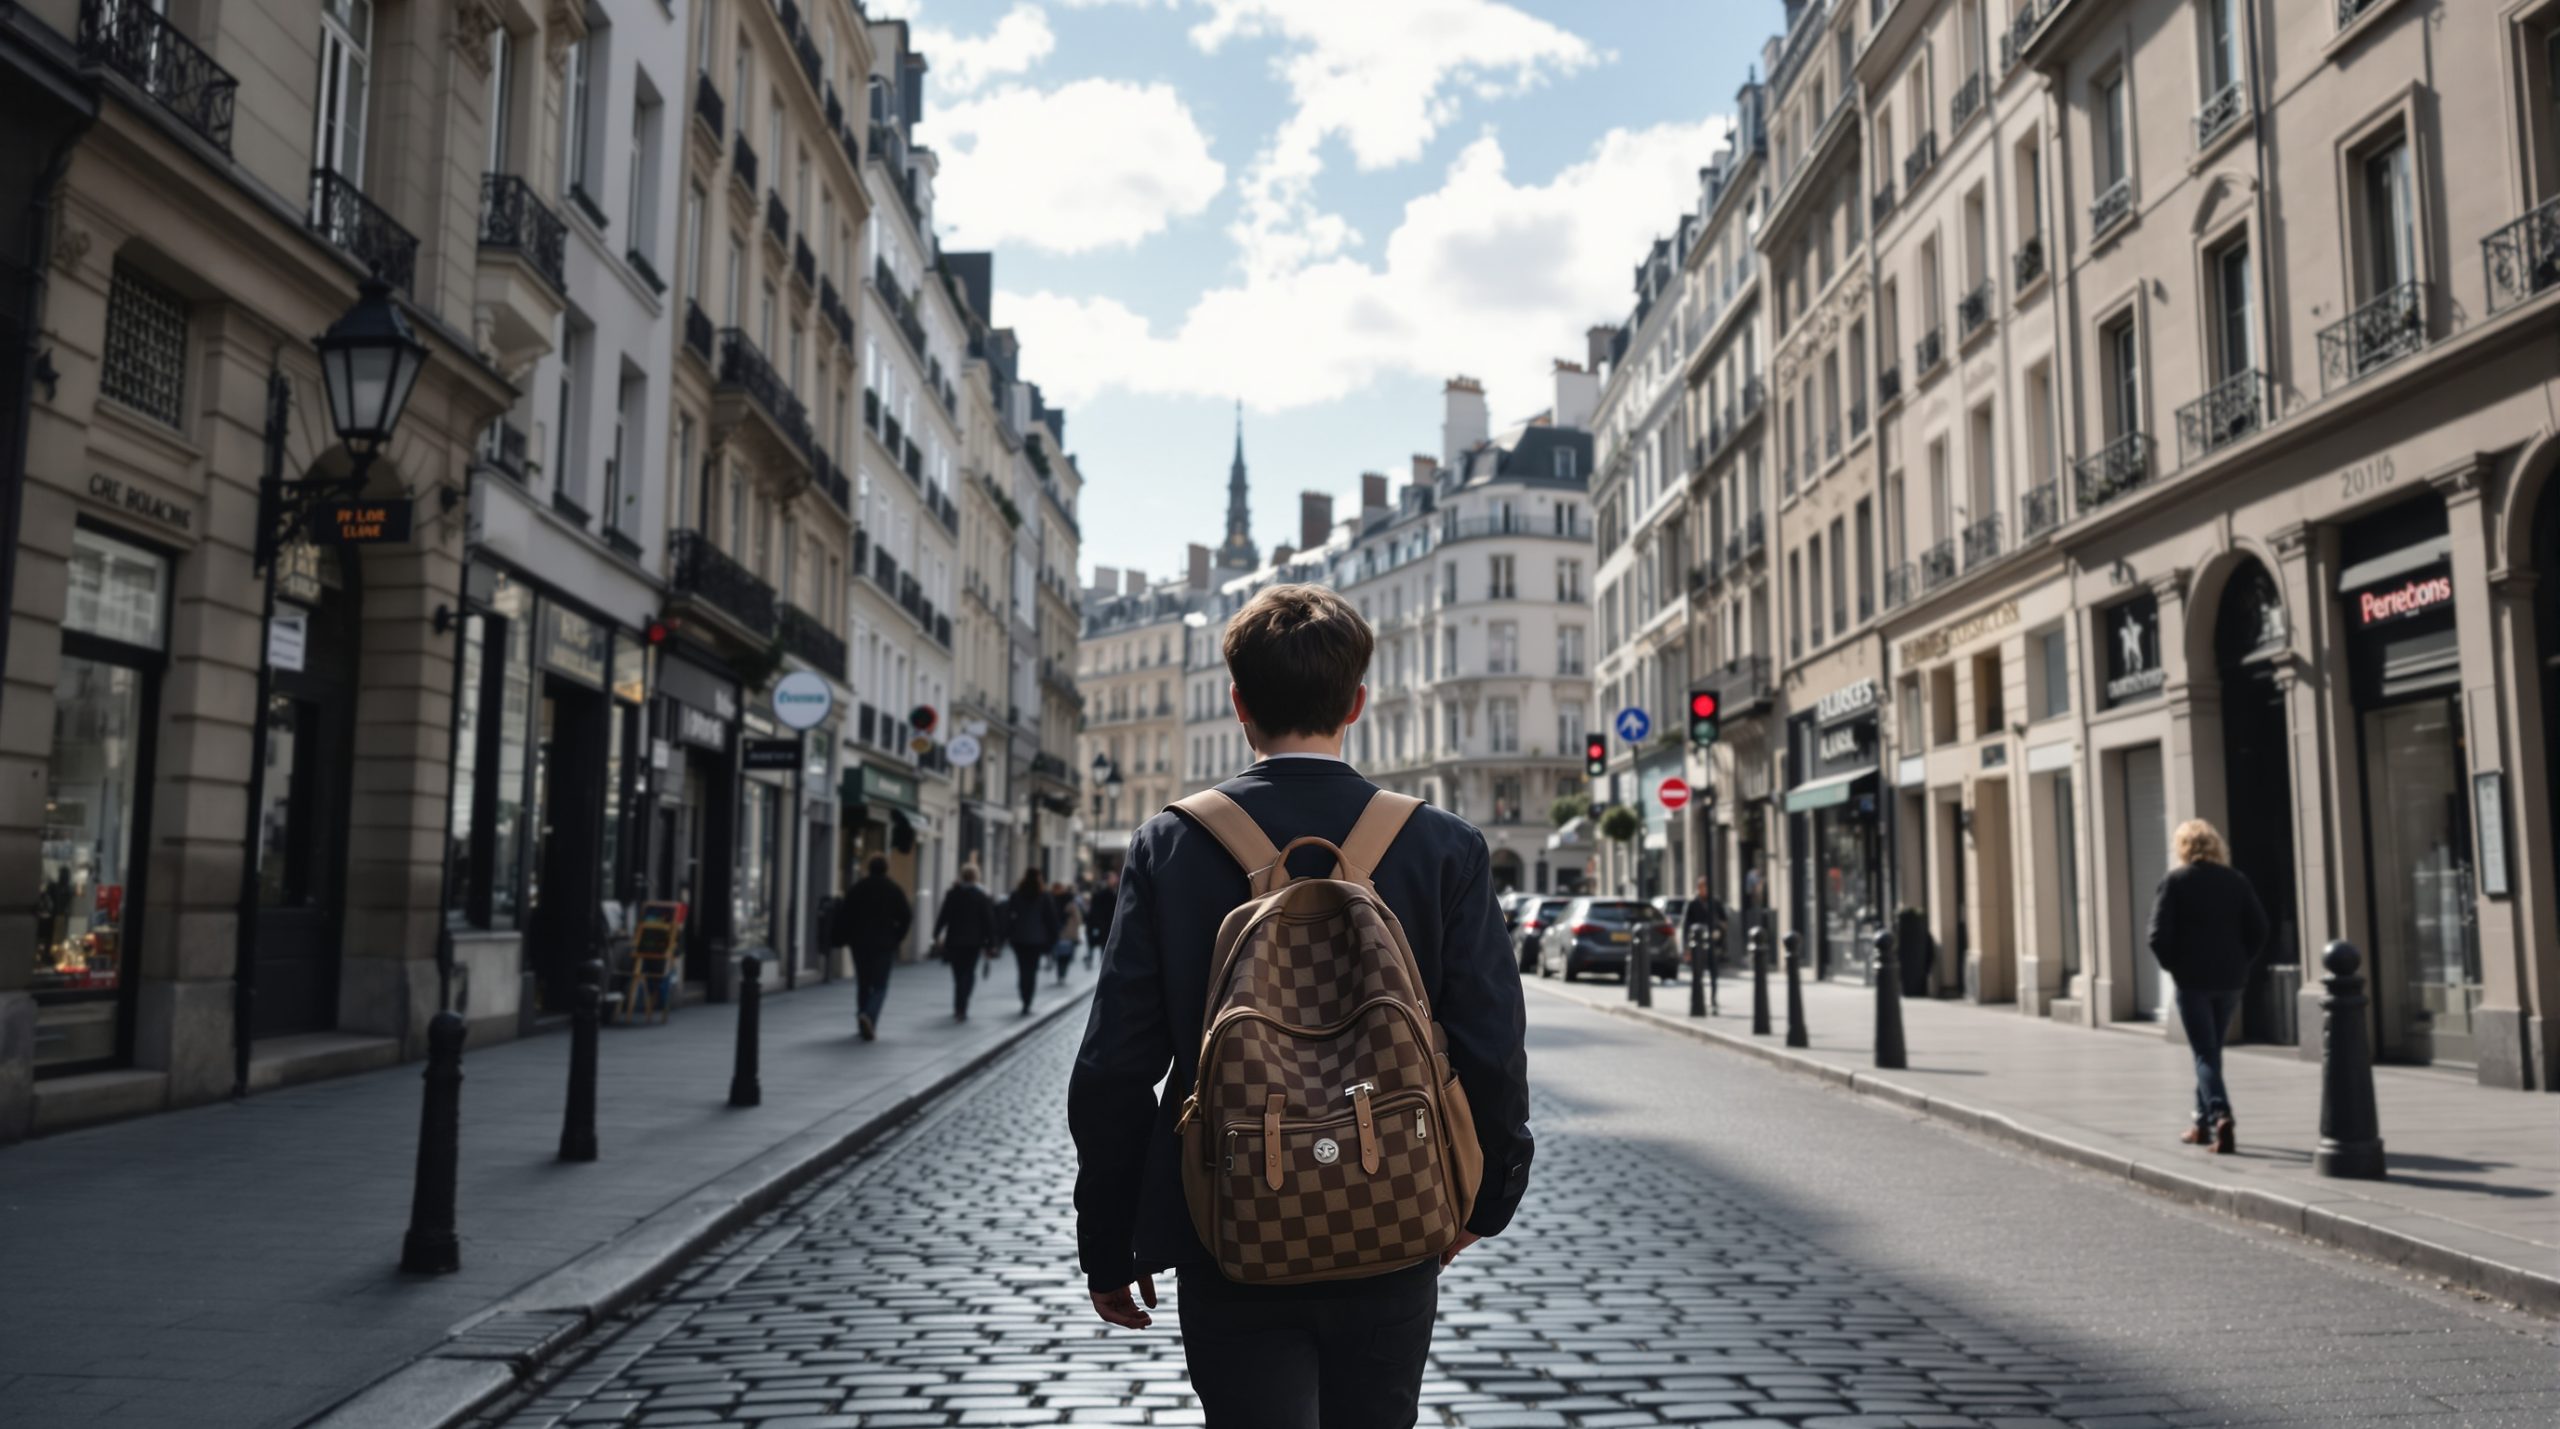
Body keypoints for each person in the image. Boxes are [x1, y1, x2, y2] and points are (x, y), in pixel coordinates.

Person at [1068, 584, 1534, 1428]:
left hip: (1227, 1216)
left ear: (1239, 704)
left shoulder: (1171, 844)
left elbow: (1114, 1067)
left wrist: (1111, 1234)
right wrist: (1483, 1196)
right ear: (1358, 701)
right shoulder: (1442, 845)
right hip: (1392, 1204)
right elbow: (1493, 1046)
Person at [2147, 818, 2270, 1155]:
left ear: (2183, 847)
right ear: (2216, 845)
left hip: (2193, 981)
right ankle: (2201, 1125)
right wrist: (2241, 962)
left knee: (2204, 1052)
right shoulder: (2236, 881)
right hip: (2230, 980)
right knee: (2211, 1051)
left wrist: (2177, 966)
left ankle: (2220, 1114)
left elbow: (2156, 936)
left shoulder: (2175, 881)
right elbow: (2260, 929)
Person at [834, 857, 912, 1041]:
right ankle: (869, 1016)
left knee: (863, 983)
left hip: (860, 943)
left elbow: (845, 914)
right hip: (884, 944)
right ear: (886, 869)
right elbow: (907, 916)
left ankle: (862, 1017)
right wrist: (897, 937)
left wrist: (848, 936)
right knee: (880, 985)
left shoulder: (858, 888)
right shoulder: (893, 889)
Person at [933, 863, 1000, 1020]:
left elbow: (944, 916)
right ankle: (962, 1004)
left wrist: (936, 934)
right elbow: (989, 921)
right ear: (976, 877)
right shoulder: (981, 896)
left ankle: (959, 1005)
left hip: (955, 940)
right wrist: (992, 943)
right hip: (974, 941)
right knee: (968, 972)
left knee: (958, 974)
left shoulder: (953, 894)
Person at [1003, 867, 1062, 1014]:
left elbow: (1008, 916)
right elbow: (1051, 919)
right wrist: (1053, 937)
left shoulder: (1016, 894)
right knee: (1032, 970)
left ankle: (1024, 996)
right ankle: (1028, 999)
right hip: (1037, 939)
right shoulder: (1044, 895)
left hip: (1019, 938)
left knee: (1023, 969)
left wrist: (1007, 935)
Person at [1681, 875, 1726, 1013]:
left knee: (1714, 974)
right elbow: (1686, 926)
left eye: (1705, 886)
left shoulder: (1715, 902)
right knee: (1697, 974)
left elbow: (1724, 921)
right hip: (1697, 945)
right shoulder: (1693, 904)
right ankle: (1697, 999)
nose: (1703, 889)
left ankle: (1713, 999)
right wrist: (1687, 948)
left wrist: (1719, 932)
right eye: (1701, 887)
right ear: (1697, 888)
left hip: (1712, 943)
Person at [1049, 880, 1083, 983]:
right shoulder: (1070, 902)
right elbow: (1078, 919)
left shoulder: (1051, 900)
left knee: (1060, 955)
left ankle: (1060, 974)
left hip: (1058, 932)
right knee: (1066, 955)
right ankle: (1062, 974)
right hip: (1068, 932)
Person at [1086, 870, 1118, 970]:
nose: (1115, 880)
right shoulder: (1103, 893)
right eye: (1113, 878)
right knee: (1100, 944)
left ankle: (1102, 963)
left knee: (1103, 945)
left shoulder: (1114, 892)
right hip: (1101, 924)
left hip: (1107, 924)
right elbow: (1095, 910)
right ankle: (1098, 962)